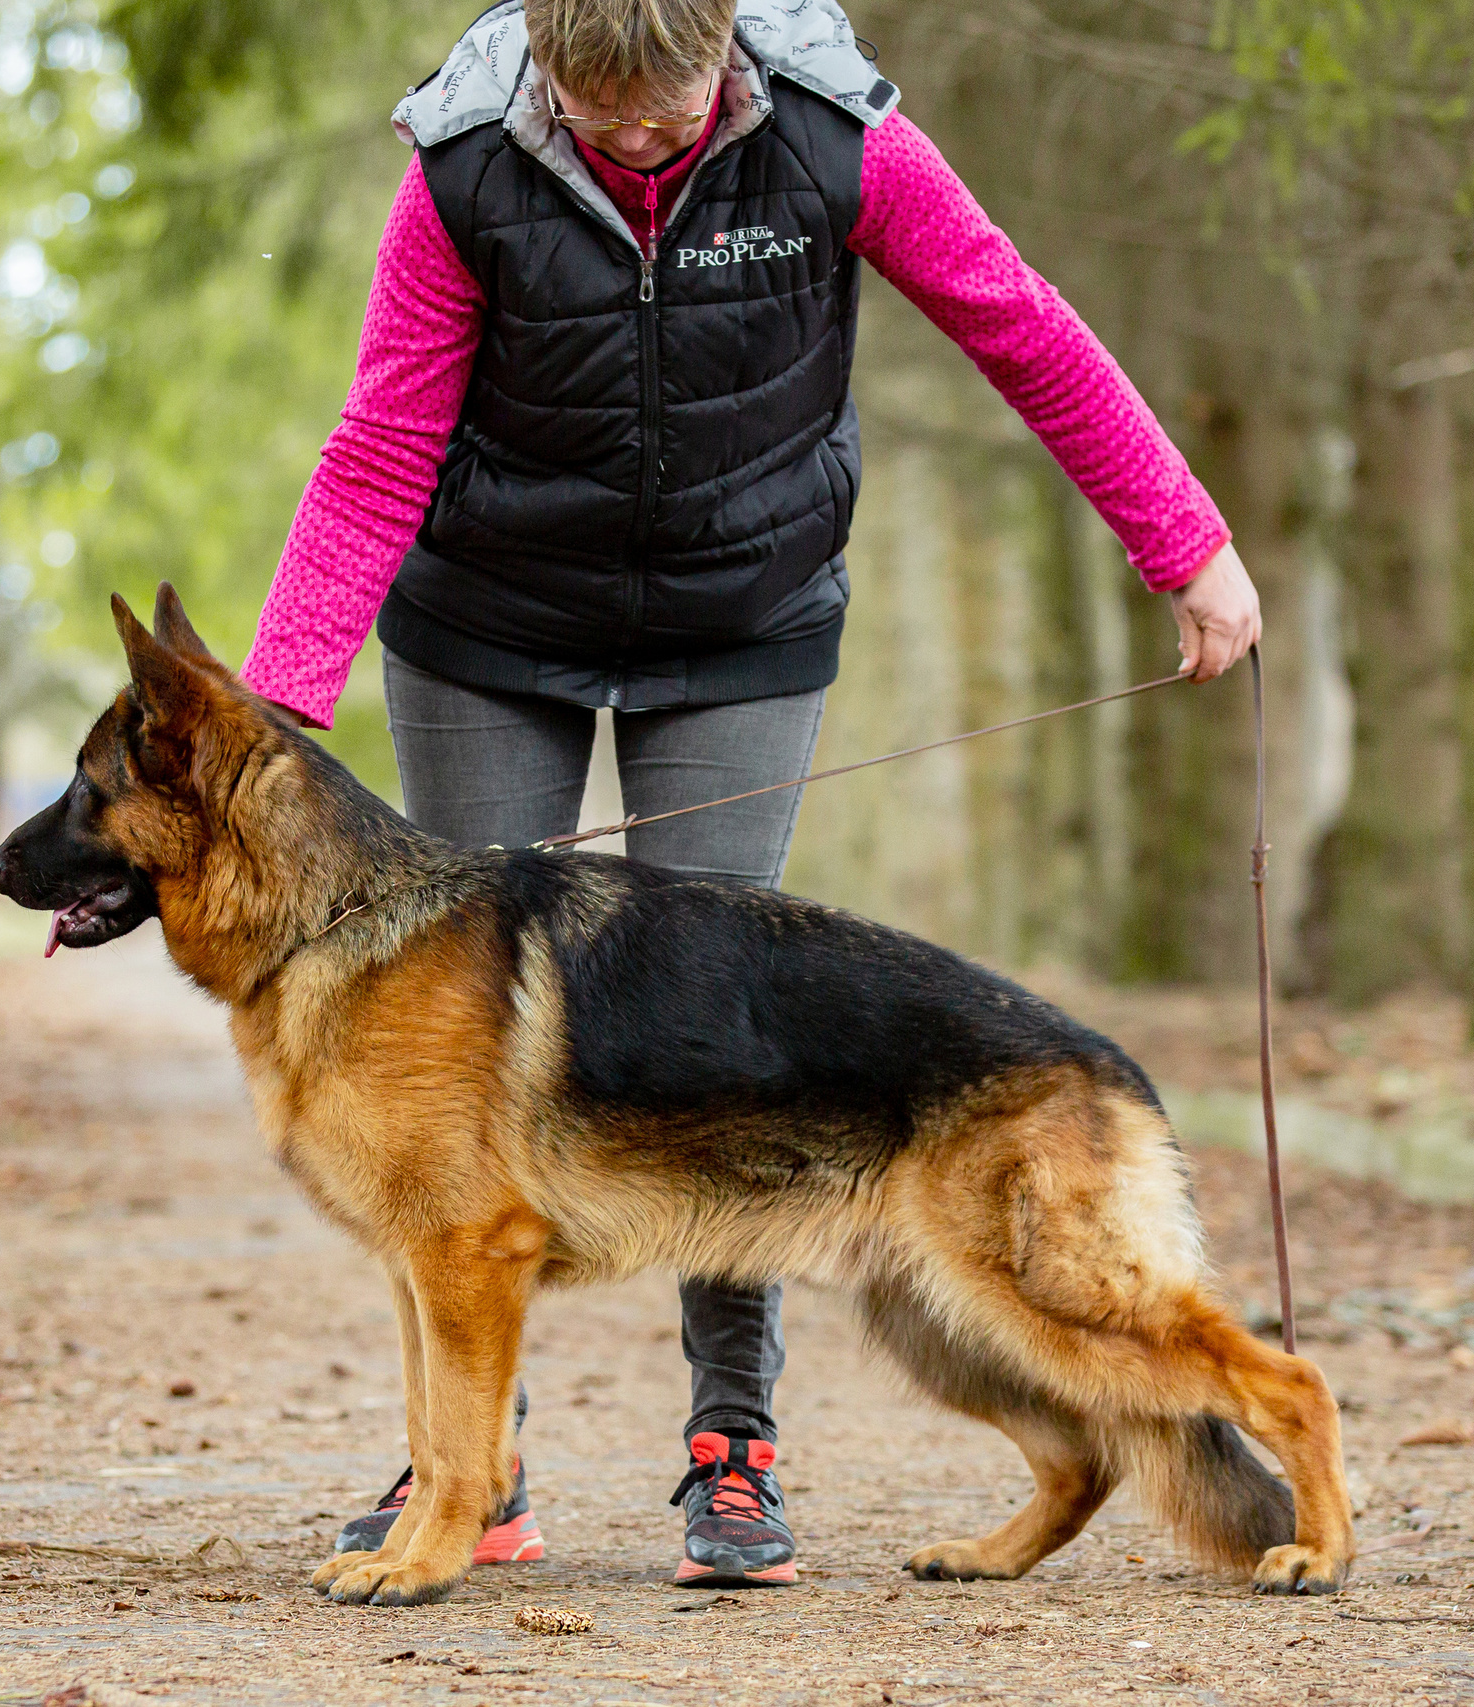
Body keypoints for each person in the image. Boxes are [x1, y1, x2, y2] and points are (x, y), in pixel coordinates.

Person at [236, 0, 1262, 1589]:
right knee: (443, 1084)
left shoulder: (841, 145)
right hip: (489, 631)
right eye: (597, 109)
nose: (637, 135)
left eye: (670, 102)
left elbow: (1021, 322)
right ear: (541, 65)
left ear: (731, 47)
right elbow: (381, 445)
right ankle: (470, 1471)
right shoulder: (458, 170)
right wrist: (274, 714)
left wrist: (1183, 542)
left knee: (725, 1036)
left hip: (742, 631)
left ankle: (733, 1442)